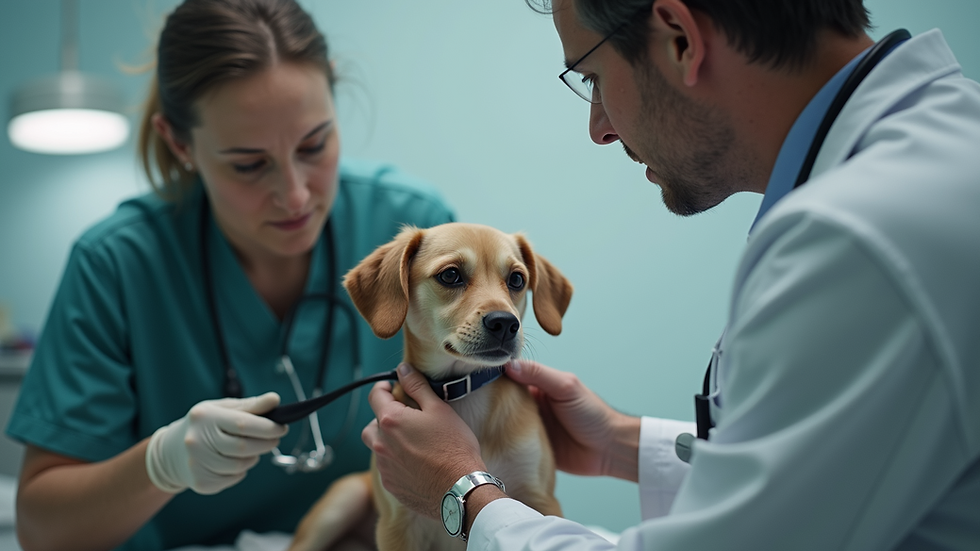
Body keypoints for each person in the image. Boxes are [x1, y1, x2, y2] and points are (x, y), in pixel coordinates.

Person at [361, 0, 980, 549]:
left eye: (594, 78)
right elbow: (846, 471)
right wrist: (620, 444)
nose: (599, 127)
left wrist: (463, 494)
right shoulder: (934, 159)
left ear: (680, 36)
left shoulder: (857, 237)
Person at [5, 0, 454, 550]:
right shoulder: (117, 264)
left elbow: (483, 437)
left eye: (314, 145)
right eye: (248, 164)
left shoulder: (416, 237)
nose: (294, 194)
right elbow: (41, 530)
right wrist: (160, 464)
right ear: (179, 143)